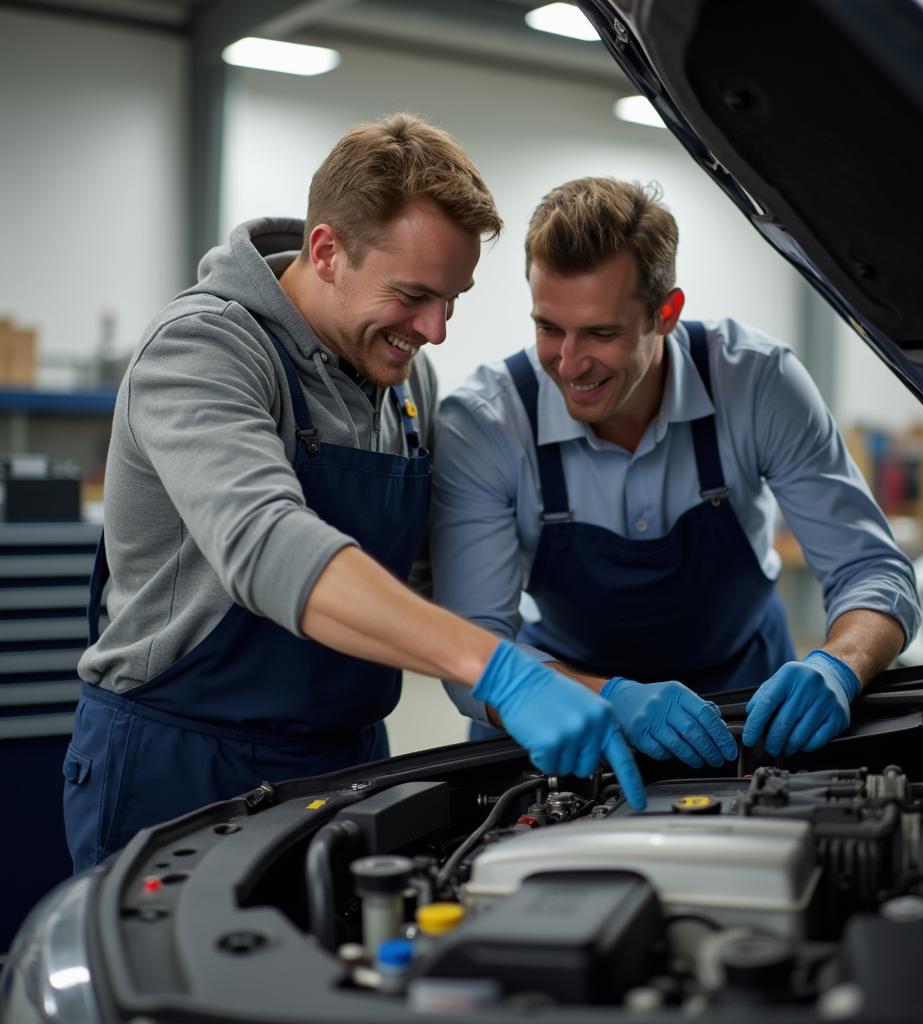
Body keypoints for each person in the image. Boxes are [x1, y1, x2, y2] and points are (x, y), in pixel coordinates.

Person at [64, 119, 645, 872]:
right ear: (327, 252)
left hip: (347, 761)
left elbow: (439, 611)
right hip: (179, 766)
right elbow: (267, 544)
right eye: (413, 295)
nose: (435, 330)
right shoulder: (202, 349)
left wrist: (601, 694)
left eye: (453, 298)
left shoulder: (405, 385)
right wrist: (498, 670)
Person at [431, 177, 920, 766]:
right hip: (563, 704)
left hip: (746, 703)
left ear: (666, 314)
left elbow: (872, 569)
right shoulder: (485, 423)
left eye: (601, 333)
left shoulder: (758, 383)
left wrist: (840, 665)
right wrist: (608, 698)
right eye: (548, 327)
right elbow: (471, 653)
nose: (568, 363)